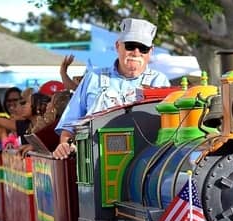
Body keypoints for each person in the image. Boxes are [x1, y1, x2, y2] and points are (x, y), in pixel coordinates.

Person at [53, 18, 170, 159]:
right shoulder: (93, 77)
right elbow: (69, 123)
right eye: (130, 46)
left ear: (151, 51)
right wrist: (65, 145)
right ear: (117, 46)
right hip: (95, 160)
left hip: (146, 161)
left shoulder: (159, 81)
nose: (136, 52)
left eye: (143, 48)